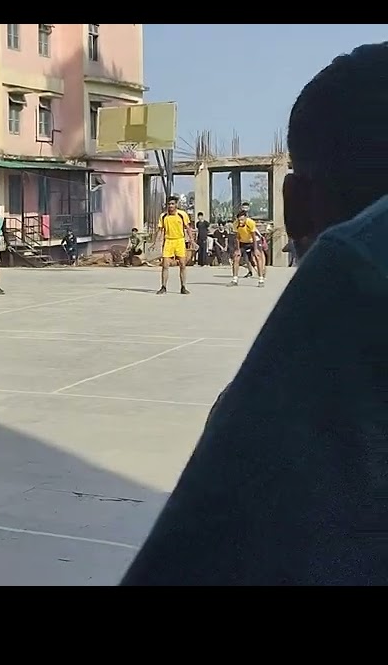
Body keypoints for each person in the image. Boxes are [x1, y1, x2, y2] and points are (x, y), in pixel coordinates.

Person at [120, 41, 388, 586]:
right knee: (200, 262)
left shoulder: (335, 321)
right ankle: (185, 280)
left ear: (295, 205)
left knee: (223, 260)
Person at [155, 196, 191, 295]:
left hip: (179, 241)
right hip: (168, 241)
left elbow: (188, 228)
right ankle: (163, 287)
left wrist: (192, 240)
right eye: (169, 204)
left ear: (176, 205)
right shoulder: (163, 216)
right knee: (165, 265)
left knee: (182, 265)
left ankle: (183, 287)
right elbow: (160, 230)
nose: (170, 206)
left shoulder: (182, 214)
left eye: (172, 204)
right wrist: (156, 242)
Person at [231, 210, 265, 287]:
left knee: (258, 256)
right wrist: (238, 249)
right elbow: (237, 237)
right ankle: (235, 279)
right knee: (236, 257)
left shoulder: (251, 223)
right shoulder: (235, 224)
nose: (241, 221)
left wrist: (256, 249)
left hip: (253, 240)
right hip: (243, 241)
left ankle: (261, 279)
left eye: (242, 220)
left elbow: (253, 235)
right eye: (239, 220)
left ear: (246, 218)